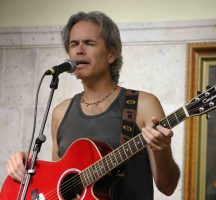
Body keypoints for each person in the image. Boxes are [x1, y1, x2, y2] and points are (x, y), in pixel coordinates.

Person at [5, 11, 180, 199]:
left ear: (111, 54)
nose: (79, 50)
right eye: (74, 44)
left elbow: (167, 187)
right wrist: (29, 165)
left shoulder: (143, 104)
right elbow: (56, 187)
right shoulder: (61, 112)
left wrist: (162, 149)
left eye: (89, 43)